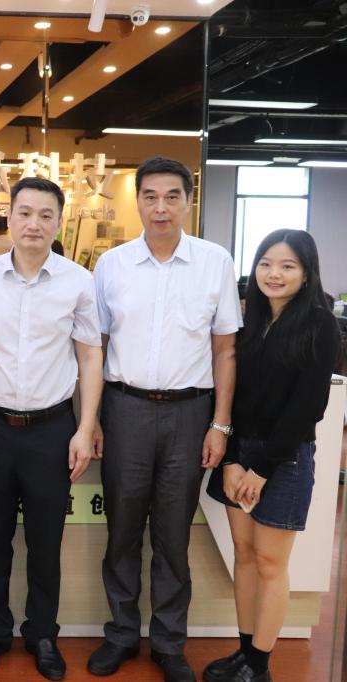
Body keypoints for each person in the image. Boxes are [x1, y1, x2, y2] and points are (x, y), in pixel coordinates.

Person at [88, 157, 242, 682]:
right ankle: (121, 635)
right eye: (150, 196)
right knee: (122, 530)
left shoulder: (214, 262)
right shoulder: (111, 265)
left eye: (172, 196)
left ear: (188, 202)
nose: (161, 207)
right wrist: (93, 418)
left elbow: (225, 350)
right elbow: (95, 346)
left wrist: (220, 424)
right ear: (137, 201)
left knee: (174, 537)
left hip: (189, 413)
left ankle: (169, 643)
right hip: (124, 408)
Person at [0, 177, 104, 681]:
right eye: (25, 213)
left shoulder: (78, 282)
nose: (34, 224)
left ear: (59, 223)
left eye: (46, 215)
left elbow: (90, 357)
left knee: (46, 542)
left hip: (52, 429)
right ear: (10, 217)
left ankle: (43, 634)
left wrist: (85, 427)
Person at [202, 229, 340, 682]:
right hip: (240, 453)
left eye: (287, 266)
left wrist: (260, 469)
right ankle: (244, 653)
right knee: (243, 555)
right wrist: (231, 461)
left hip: (284, 460)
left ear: (306, 273)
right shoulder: (251, 321)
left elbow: (308, 408)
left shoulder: (319, 324)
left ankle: (259, 665)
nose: (273, 274)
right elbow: (232, 397)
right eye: (265, 263)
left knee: (270, 563)